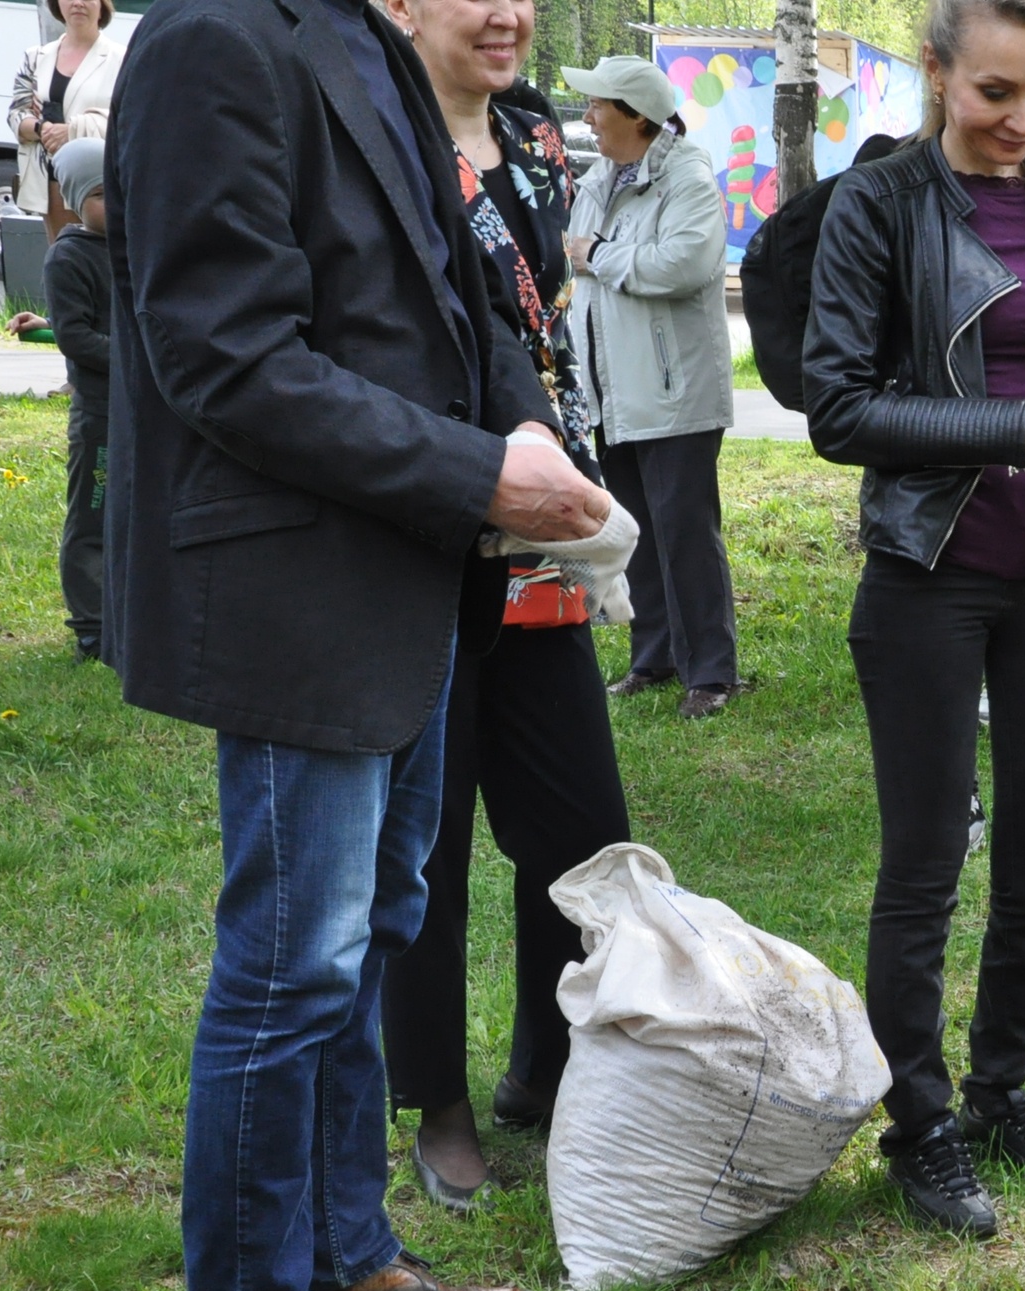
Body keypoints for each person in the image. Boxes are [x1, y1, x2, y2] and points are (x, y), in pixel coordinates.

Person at [108, 0, 605, 1291]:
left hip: (399, 568)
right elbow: (224, 359)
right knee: (292, 961)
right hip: (292, 584)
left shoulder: (361, 39)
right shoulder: (211, 38)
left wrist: (525, 437)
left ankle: (346, 1253)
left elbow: (455, 303)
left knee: (380, 924)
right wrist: (475, 474)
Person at [804, 0, 1025, 1239]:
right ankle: (922, 1122)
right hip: (927, 572)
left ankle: (1004, 1088)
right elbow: (837, 410)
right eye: (995, 94)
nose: (1023, 121)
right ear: (937, 72)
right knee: (922, 867)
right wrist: (1021, 430)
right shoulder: (879, 203)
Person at [378, 0, 632, 1210]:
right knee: (423, 846)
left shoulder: (535, 140)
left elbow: (550, 329)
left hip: (544, 530)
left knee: (581, 826)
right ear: (403, 8)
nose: (505, 13)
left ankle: (551, 1058)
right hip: (425, 532)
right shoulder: (377, 140)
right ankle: (440, 1104)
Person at [565, 57, 739, 720]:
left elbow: (683, 263)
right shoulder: (599, 176)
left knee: (685, 530)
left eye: (598, 106)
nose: (587, 117)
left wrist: (599, 256)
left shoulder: (686, 175)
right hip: (612, 390)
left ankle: (712, 673)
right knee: (635, 528)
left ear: (637, 114)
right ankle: (655, 658)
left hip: (673, 391)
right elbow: (570, 259)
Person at [41, 138, 109, 661]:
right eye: (104, 194)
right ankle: (91, 625)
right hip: (102, 418)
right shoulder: (68, 257)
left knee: (132, 513)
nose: (118, 204)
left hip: (142, 412)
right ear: (75, 198)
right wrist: (141, 356)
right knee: (93, 512)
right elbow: (78, 338)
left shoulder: (134, 248)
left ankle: (129, 613)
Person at [8, 0, 121, 237]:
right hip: (50, 181)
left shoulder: (121, 59)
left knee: (100, 258)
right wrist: (42, 128)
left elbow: (129, 119)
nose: (78, 3)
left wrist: (72, 131)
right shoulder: (35, 57)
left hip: (99, 181)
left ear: (102, 5)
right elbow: (17, 113)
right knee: (61, 256)